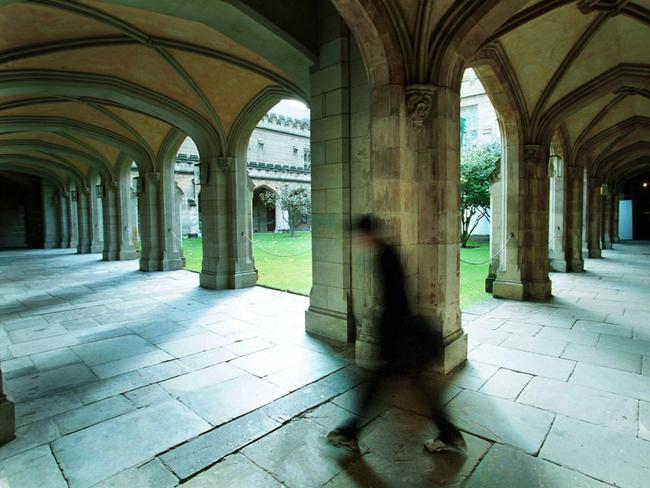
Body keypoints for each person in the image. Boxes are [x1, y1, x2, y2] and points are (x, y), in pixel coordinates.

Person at [326, 215, 465, 454]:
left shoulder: (384, 257)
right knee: (418, 387)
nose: (355, 242)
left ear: (367, 235)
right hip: (402, 339)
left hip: (399, 340)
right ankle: (448, 433)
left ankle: (350, 432)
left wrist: (387, 341)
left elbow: (396, 302)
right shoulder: (385, 253)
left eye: (357, 237)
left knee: (375, 386)